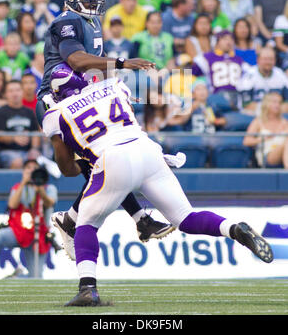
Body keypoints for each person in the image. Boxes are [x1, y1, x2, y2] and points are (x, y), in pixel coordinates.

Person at [42, 66, 273, 306]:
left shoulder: (56, 113)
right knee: (185, 217)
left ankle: (87, 288)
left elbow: (67, 170)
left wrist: (82, 161)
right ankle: (234, 229)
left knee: (86, 224)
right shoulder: (112, 86)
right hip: (147, 150)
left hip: (113, 158)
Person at [36, 0, 174, 255]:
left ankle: (93, 220)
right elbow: (76, 60)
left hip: (84, 97)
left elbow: (94, 69)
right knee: (72, 168)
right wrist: (122, 63)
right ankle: (126, 219)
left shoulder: (92, 21)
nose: (90, 1)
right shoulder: (66, 21)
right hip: (57, 100)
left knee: (108, 162)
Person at [0, 159, 57, 278]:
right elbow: (12, 204)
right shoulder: (18, 187)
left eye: (34, 168)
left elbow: (50, 203)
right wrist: (24, 183)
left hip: (38, 234)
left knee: (36, 278)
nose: (31, 171)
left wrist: (40, 189)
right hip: (18, 230)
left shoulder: (48, 188)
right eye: (28, 168)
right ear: (24, 171)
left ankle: (15, 278)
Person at [0, 79, 40, 168]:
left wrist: (34, 149)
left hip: (27, 151)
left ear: (22, 92)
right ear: (5, 94)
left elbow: (35, 133)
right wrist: (14, 138)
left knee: (37, 161)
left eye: (18, 90)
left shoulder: (29, 112)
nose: (15, 93)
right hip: (6, 151)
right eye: (11, 91)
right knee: (18, 162)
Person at [192, 30, 244, 110]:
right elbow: (192, 71)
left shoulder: (239, 59)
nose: (229, 41)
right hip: (216, 96)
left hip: (237, 96)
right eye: (225, 39)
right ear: (216, 42)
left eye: (231, 39)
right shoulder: (207, 57)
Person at [243, 92, 288, 168]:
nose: (277, 105)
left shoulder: (285, 122)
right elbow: (246, 141)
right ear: (266, 103)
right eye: (274, 102)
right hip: (267, 155)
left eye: (280, 102)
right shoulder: (258, 121)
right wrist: (262, 139)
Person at [238, 47, 288, 113]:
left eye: (271, 59)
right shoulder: (249, 75)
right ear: (258, 60)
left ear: (275, 61)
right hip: (254, 115)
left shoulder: (280, 74)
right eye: (265, 59)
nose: (268, 62)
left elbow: (287, 103)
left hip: (277, 115)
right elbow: (246, 105)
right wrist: (271, 110)